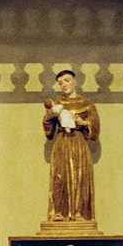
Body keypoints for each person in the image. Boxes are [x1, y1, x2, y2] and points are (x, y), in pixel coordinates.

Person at [42, 69, 100, 230]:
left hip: (79, 142)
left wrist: (84, 123)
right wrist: (48, 117)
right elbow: (49, 132)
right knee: (60, 177)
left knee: (80, 177)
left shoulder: (87, 104)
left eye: (67, 81)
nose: (64, 85)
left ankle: (80, 213)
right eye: (60, 83)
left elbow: (95, 129)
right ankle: (59, 212)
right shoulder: (57, 104)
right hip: (62, 143)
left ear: (75, 82)